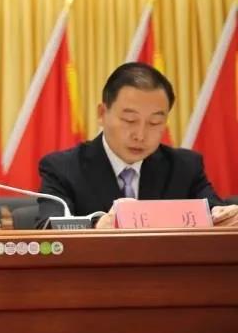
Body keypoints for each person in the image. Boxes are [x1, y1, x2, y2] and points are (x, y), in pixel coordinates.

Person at [37, 62, 238, 229]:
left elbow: (214, 210)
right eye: (130, 120)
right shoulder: (63, 168)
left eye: (154, 123)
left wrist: (224, 217)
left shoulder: (184, 167)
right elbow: (49, 226)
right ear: (102, 114)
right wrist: (96, 225)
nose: (140, 135)